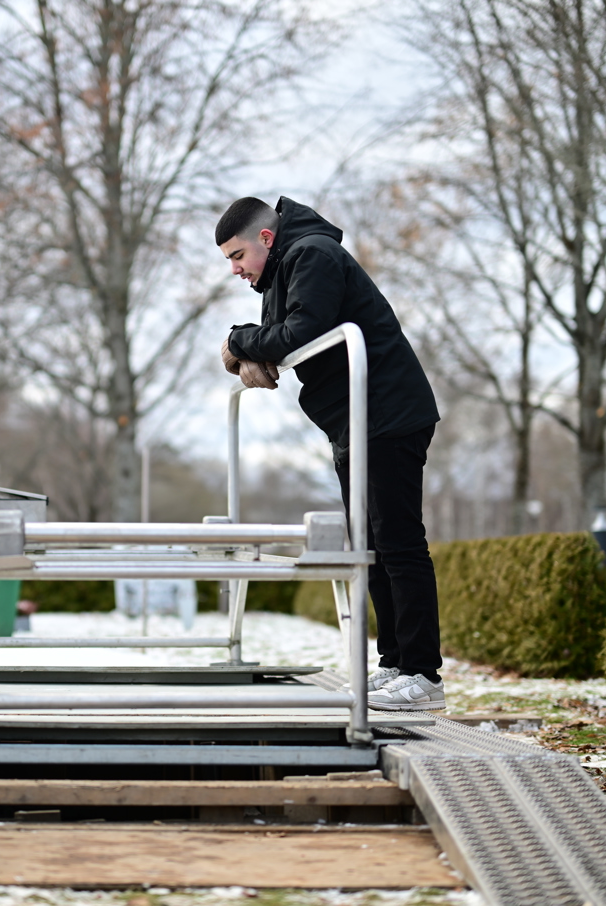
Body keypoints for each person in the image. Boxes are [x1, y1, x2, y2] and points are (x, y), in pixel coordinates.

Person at [216, 196, 444, 711]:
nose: (235, 269)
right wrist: (251, 349)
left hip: (386, 413)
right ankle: (396, 665)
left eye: (237, 256)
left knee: (400, 544)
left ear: (266, 240)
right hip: (355, 419)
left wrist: (240, 340)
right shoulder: (281, 272)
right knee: (372, 546)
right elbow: (282, 340)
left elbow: (301, 331)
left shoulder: (310, 255)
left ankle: (424, 676)